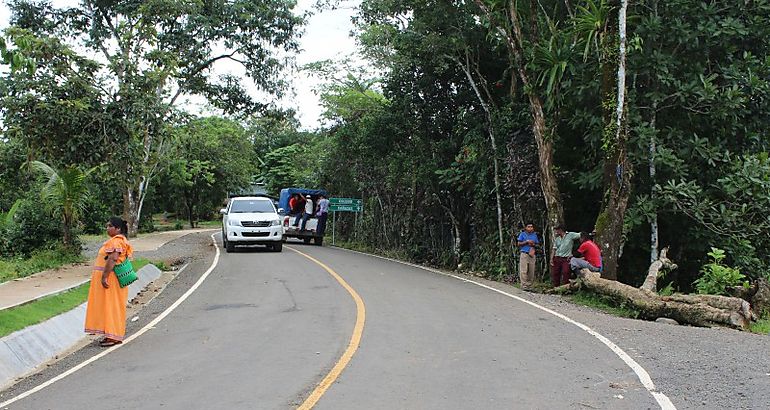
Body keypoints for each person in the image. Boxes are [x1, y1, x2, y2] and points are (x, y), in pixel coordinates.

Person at [84, 217, 134, 347]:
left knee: (112, 306)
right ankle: (109, 334)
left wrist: (104, 276)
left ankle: (114, 335)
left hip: (111, 279)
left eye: (110, 226)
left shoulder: (116, 242)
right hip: (112, 279)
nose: (107, 228)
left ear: (117, 229)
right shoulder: (117, 241)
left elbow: (112, 259)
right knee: (108, 305)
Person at [517, 223, 539, 291]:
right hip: (524, 253)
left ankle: (529, 285)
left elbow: (537, 244)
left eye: (531, 227)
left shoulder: (534, 235)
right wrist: (526, 242)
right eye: (529, 227)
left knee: (531, 270)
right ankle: (524, 285)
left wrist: (533, 244)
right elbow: (519, 243)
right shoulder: (522, 234)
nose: (530, 228)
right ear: (526, 228)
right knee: (524, 270)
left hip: (532, 253)